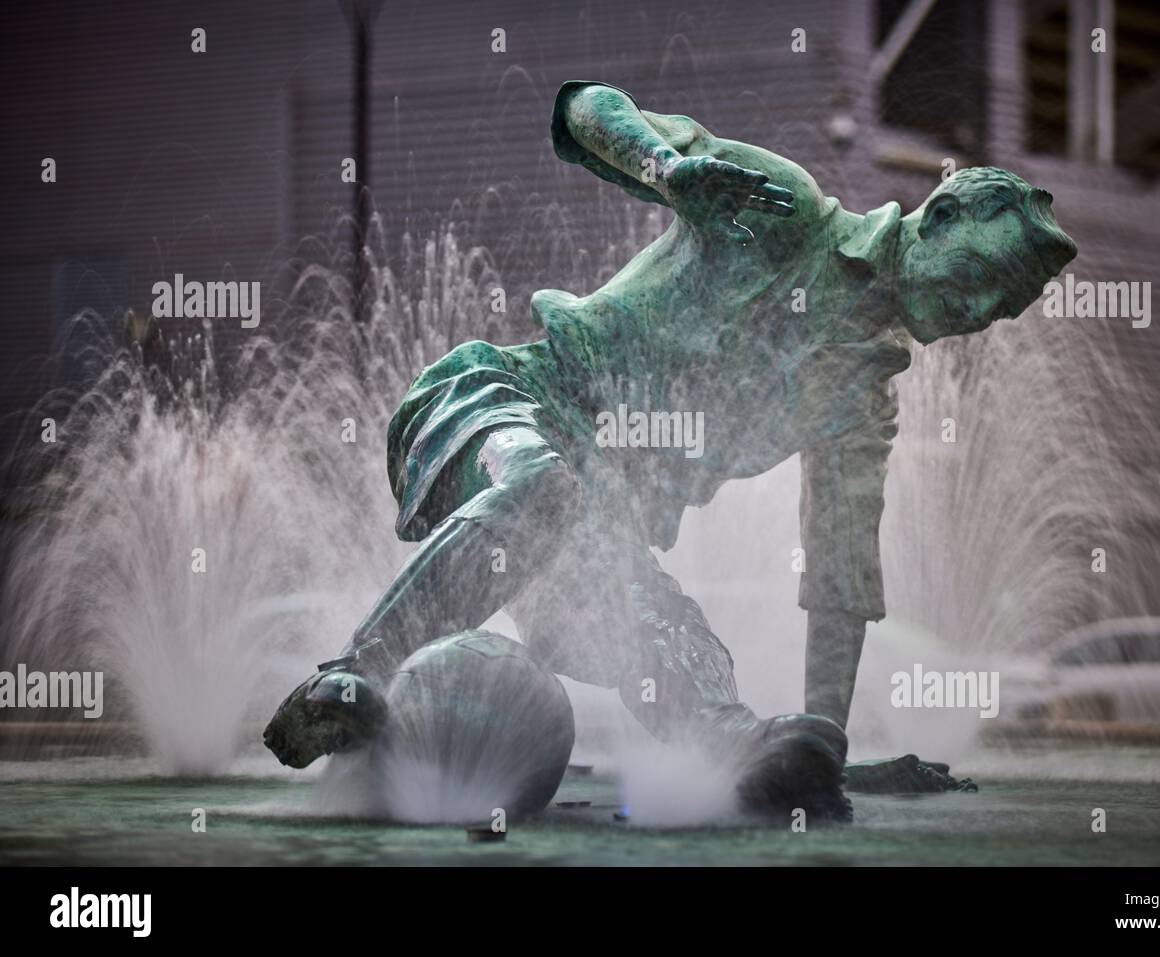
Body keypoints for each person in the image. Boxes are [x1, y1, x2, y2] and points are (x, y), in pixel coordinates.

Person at [264, 80, 1077, 821]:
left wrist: (825, 744)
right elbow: (585, 110)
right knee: (546, 485)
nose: (974, 309)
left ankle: (763, 766)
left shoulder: (860, 402)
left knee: (691, 664)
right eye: (978, 275)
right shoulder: (785, 208)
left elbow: (841, 581)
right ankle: (347, 679)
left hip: (594, 525)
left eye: (997, 308)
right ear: (935, 220)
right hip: (504, 404)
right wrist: (664, 170)